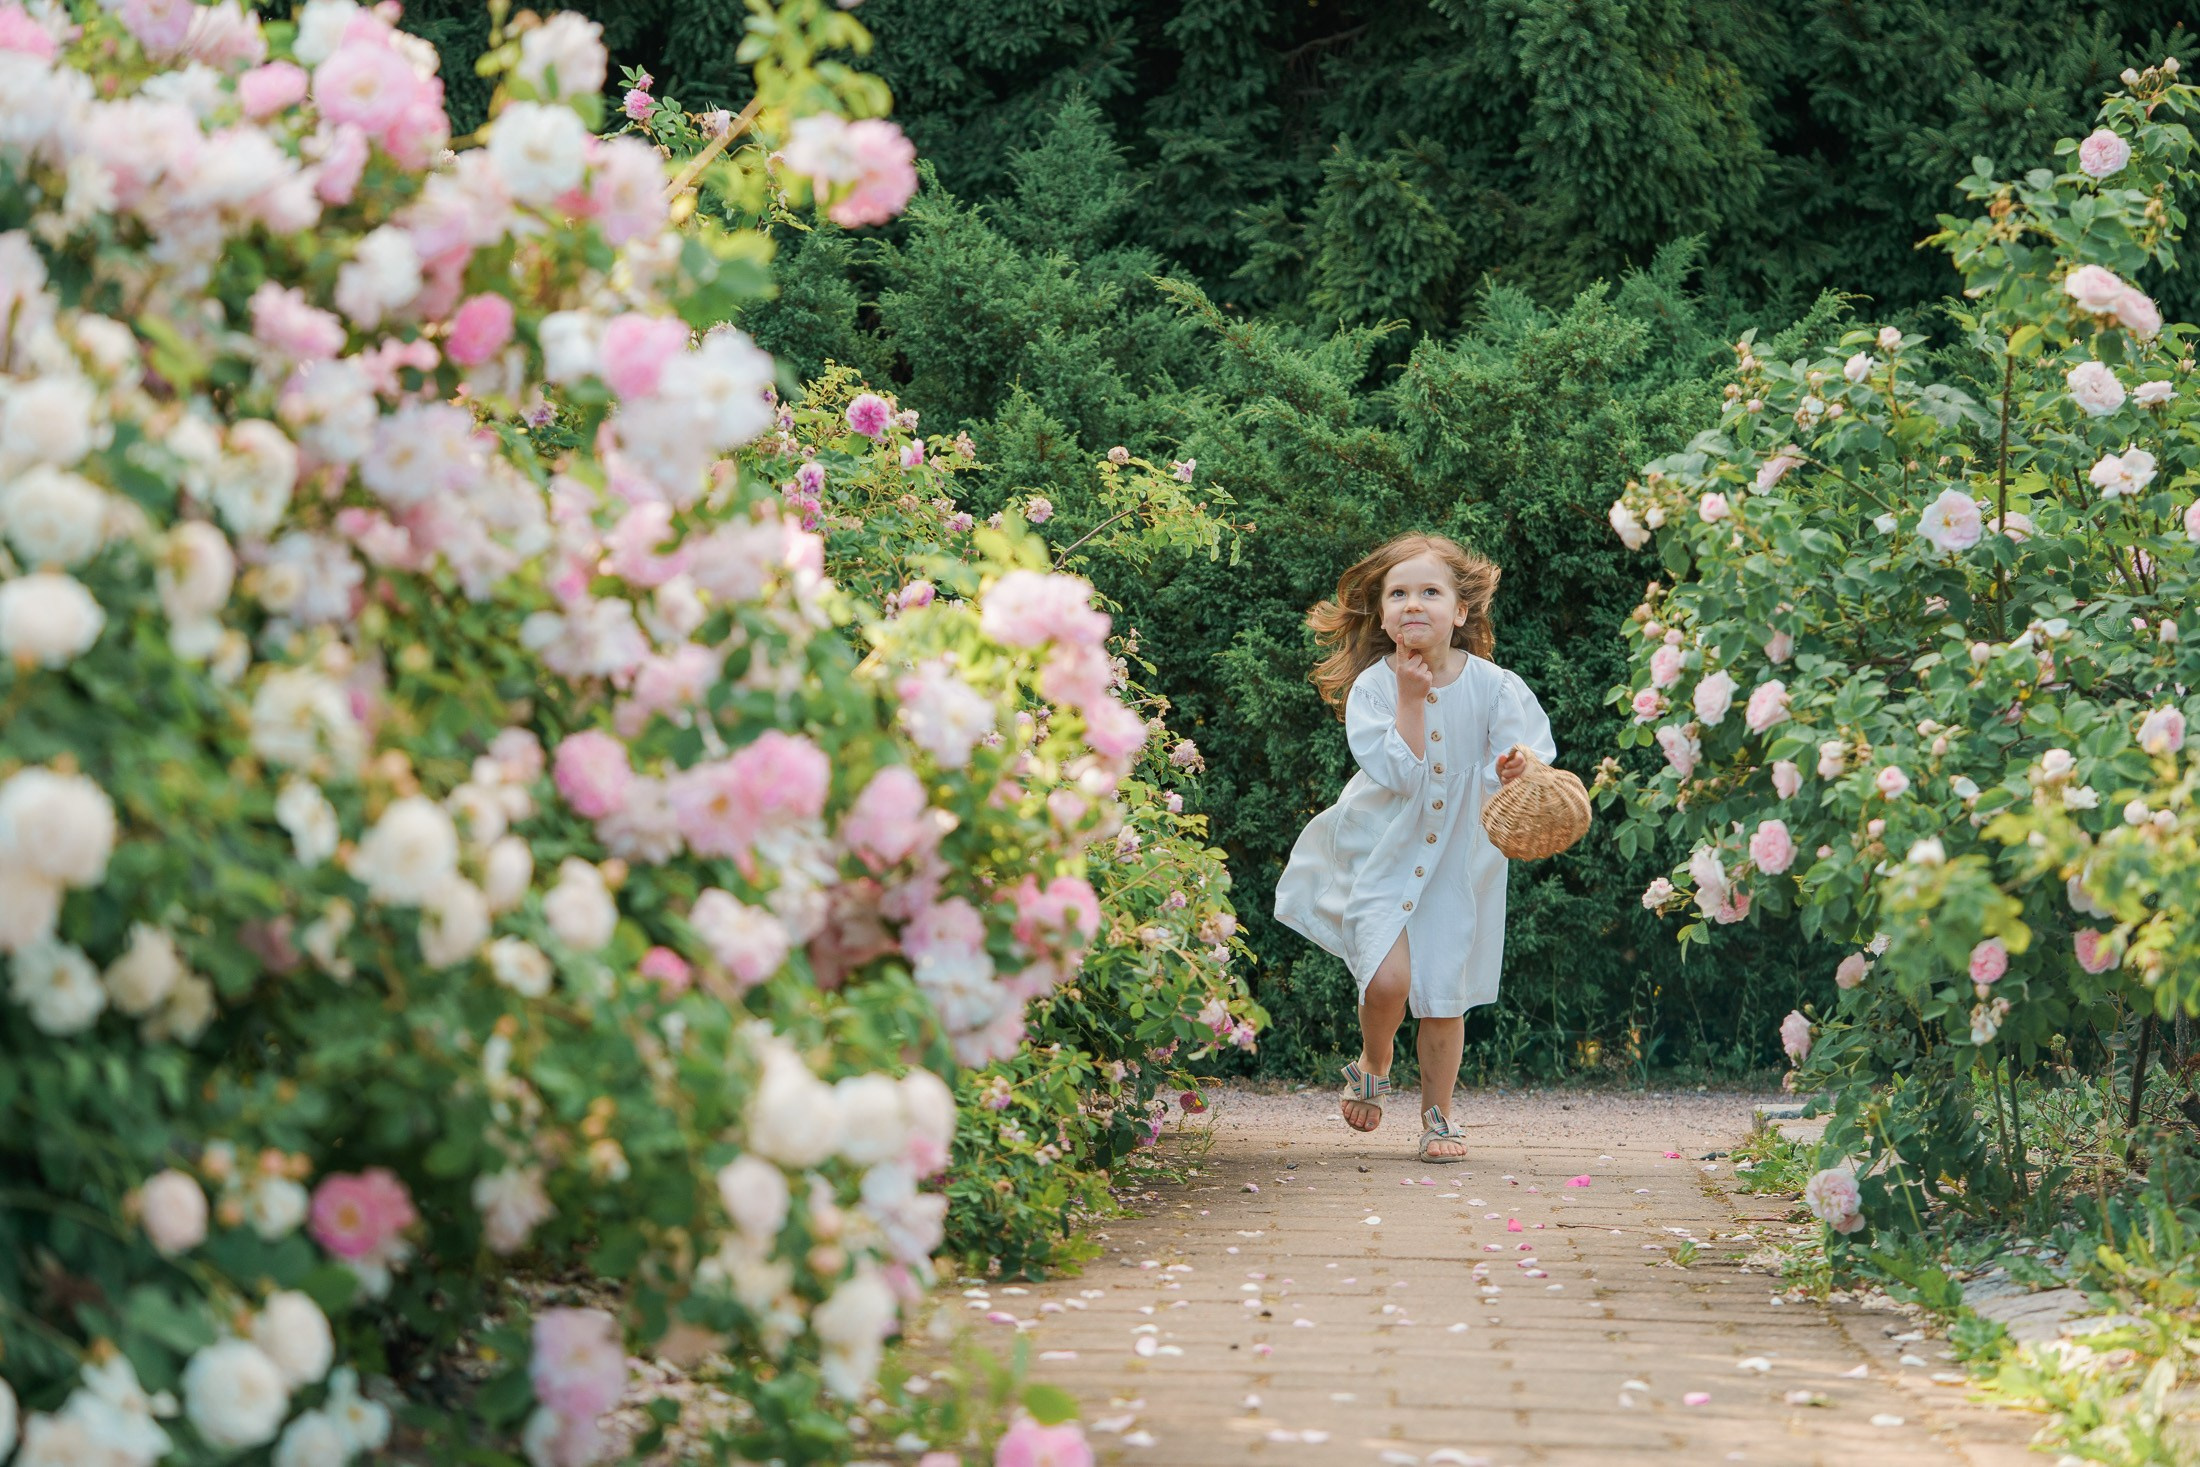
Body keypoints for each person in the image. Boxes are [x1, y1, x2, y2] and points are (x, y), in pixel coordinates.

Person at [1273, 533, 1556, 1162]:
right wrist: (1408, 697)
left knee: (1443, 997)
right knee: (1387, 981)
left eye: (1431, 591)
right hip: (1385, 852)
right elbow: (1400, 773)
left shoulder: (1495, 686)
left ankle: (1438, 1118)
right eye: (1398, 593)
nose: (1413, 604)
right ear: (1382, 614)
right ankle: (1375, 1058)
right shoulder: (1376, 688)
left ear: (1460, 611)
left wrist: (1517, 767)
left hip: (1459, 861)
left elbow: (1528, 751)